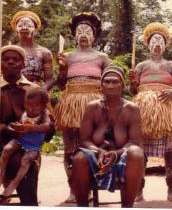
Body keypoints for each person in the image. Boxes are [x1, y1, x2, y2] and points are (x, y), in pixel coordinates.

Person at [53, 12, 110, 203]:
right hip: (71, 104)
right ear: (75, 35)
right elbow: (61, 85)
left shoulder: (102, 57)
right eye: (80, 31)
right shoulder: (67, 57)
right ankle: (73, 189)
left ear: (94, 35)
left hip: (94, 105)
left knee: (94, 146)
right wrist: (61, 69)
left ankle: (93, 188)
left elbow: (111, 82)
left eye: (87, 31)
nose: (83, 34)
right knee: (71, 147)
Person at [128, 22, 172, 202]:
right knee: (141, 152)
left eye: (161, 40)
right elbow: (133, 91)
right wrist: (131, 82)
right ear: (148, 44)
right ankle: (139, 190)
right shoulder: (141, 66)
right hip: (145, 110)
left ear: (165, 44)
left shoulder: (170, 65)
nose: (157, 43)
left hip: (165, 109)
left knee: (169, 151)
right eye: (154, 40)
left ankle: (170, 189)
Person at [71, 65, 144, 207]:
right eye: (107, 82)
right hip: (95, 154)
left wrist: (116, 154)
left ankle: (127, 207)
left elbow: (135, 141)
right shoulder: (92, 107)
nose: (110, 86)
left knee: (137, 153)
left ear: (123, 85)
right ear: (101, 85)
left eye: (115, 82)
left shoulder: (131, 109)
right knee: (79, 158)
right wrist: (99, 151)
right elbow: (84, 140)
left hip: (122, 154)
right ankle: (82, 206)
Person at [0, 45, 40, 205]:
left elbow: (49, 125)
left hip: (24, 145)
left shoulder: (34, 90)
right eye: (5, 59)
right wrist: (4, 128)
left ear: (23, 64)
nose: (10, 62)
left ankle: (29, 205)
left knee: (24, 162)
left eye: (15, 60)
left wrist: (30, 129)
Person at [0, 87, 52, 203]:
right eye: (27, 106)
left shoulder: (44, 114)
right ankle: (1, 175)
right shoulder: (26, 112)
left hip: (33, 146)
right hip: (21, 140)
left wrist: (31, 128)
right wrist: (15, 126)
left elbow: (47, 127)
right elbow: (19, 123)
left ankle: (13, 184)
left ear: (43, 106)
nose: (29, 109)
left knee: (26, 160)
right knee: (7, 149)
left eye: (33, 107)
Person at [11, 11, 54, 90]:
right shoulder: (9, 51)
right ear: (16, 30)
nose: (24, 28)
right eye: (20, 25)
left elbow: (49, 80)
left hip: (35, 93)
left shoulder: (45, 52)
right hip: (12, 93)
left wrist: (40, 91)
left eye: (29, 26)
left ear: (36, 30)